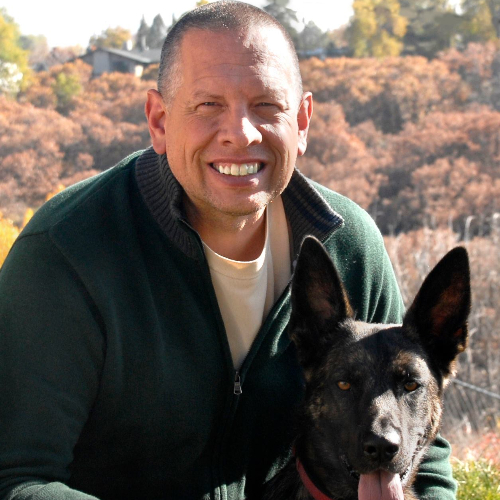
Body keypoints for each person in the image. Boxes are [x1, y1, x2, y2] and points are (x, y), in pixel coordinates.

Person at [0, 2, 456, 499]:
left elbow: (420, 453)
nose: (240, 133)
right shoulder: (67, 252)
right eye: (207, 105)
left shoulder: (347, 244)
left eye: (266, 106)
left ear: (302, 121)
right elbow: (16, 478)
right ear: (158, 119)